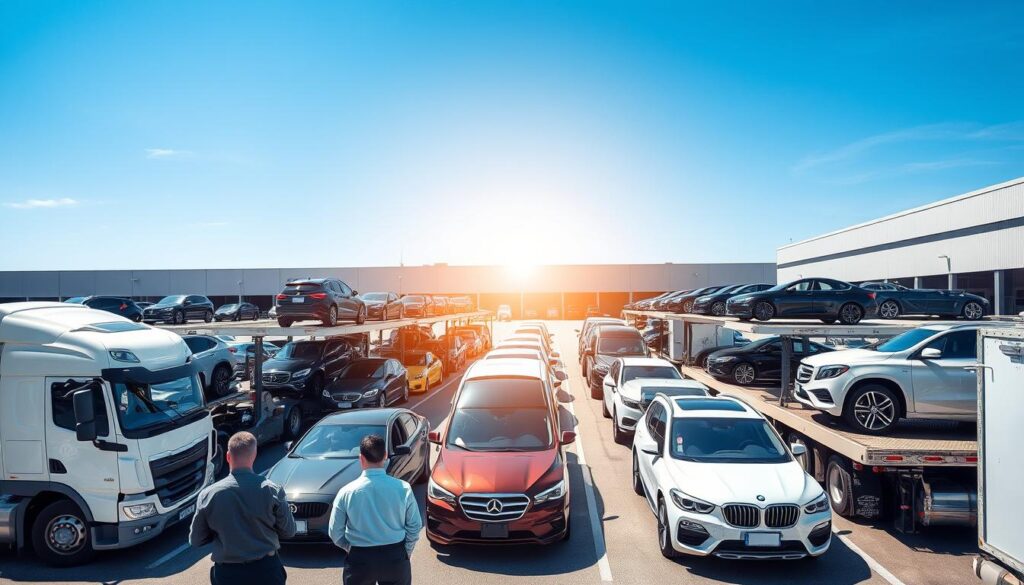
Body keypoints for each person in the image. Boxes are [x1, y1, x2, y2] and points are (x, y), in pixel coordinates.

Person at [189, 431, 296, 585]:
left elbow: (196, 539)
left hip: (228, 575)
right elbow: (289, 531)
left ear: (227, 456)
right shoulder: (272, 490)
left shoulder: (208, 495)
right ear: (254, 455)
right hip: (266, 572)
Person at [328, 434, 422, 585]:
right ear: (385, 456)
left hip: (359, 559)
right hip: (395, 556)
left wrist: (350, 548)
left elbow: (335, 532)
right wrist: (406, 551)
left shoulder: (346, 492)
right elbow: (415, 526)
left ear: (361, 458)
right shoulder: (403, 488)